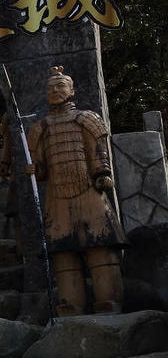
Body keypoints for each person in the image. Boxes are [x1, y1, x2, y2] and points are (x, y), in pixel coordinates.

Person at [25, 65, 126, 315]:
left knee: (100, 247)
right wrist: (34, 170)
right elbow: (41, 170)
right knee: (63, 252)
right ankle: (71, 303)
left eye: (60, 86)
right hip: (57, 195)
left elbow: (98, 150)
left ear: (72, 90)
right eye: (50, 88)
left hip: (88, 189)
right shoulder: (40, 128)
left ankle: (108, 299)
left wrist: (102, 173)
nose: (55, 91)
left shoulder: (87, 119)